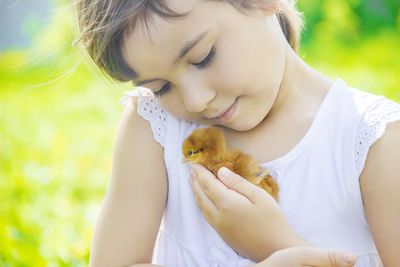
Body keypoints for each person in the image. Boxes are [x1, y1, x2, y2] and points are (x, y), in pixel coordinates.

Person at [74, 0, 400, 266]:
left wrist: (275, 246)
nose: (195, 99)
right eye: (161, 87)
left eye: (203, 58)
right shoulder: (154, 128)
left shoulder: (374, 142)